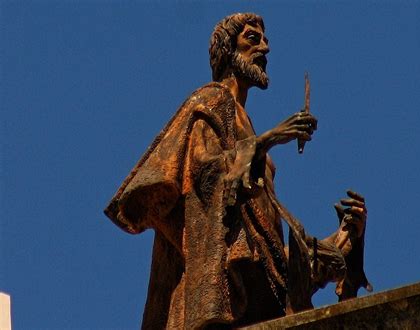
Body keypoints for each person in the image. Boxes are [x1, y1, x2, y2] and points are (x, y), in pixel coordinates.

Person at [105, 13, 371, 329]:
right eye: (252, 39)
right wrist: (268, 140)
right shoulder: (211, 99)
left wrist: (344, 238)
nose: (265, 48)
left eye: (266, 40)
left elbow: (267, 254)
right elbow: (206, 178)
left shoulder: (243, 123)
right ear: (229, 51)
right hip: (220, 297)